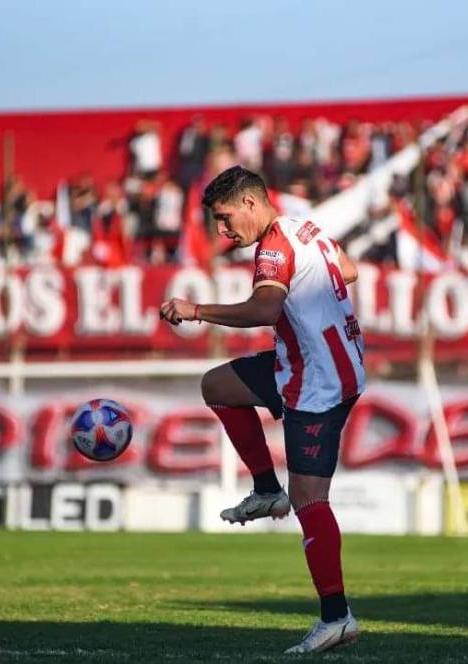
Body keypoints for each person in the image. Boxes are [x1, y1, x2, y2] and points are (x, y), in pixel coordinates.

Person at [159, 166, 364, 655]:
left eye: (226, 219)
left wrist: (196, 311)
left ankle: (337, 618)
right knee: (217, 385)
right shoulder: (302, 227)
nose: (223, 232)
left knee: (311, 502)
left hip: (319, 382)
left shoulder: (274, 246)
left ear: (251, 204)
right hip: (311, 363)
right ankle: (266, 490)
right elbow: (349, 268)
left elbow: (264, 310)